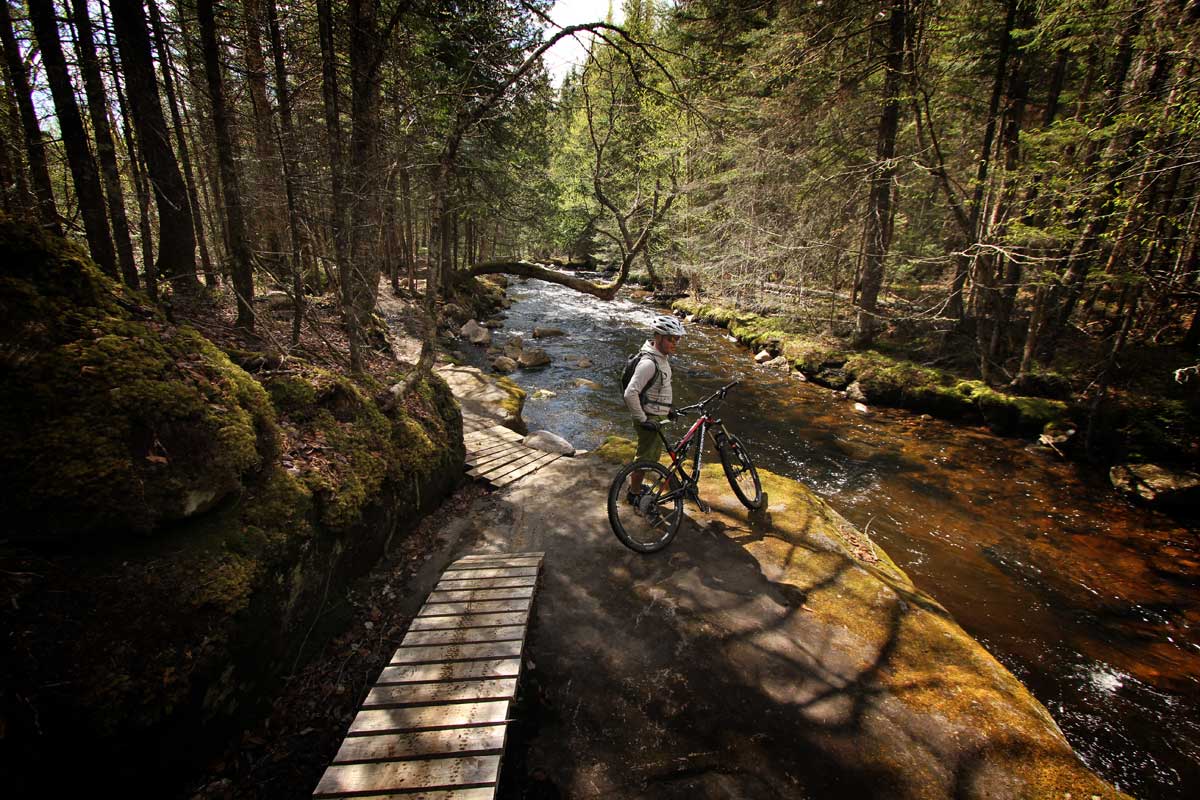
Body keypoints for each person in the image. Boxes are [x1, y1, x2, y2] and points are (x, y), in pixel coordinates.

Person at [623, 314, 685, 502]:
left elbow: (659, 388)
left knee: (649, 456)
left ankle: (634, 487)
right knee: (644, 458)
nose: (674, 343)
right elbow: (630, 393)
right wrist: (643, 420)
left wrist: (669, 409)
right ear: (658, 336)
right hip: (649, 417)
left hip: (657, 414)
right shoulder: (649, 363)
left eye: (677, 339)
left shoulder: (661, 358)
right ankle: (634, 494)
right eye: (670, 338)